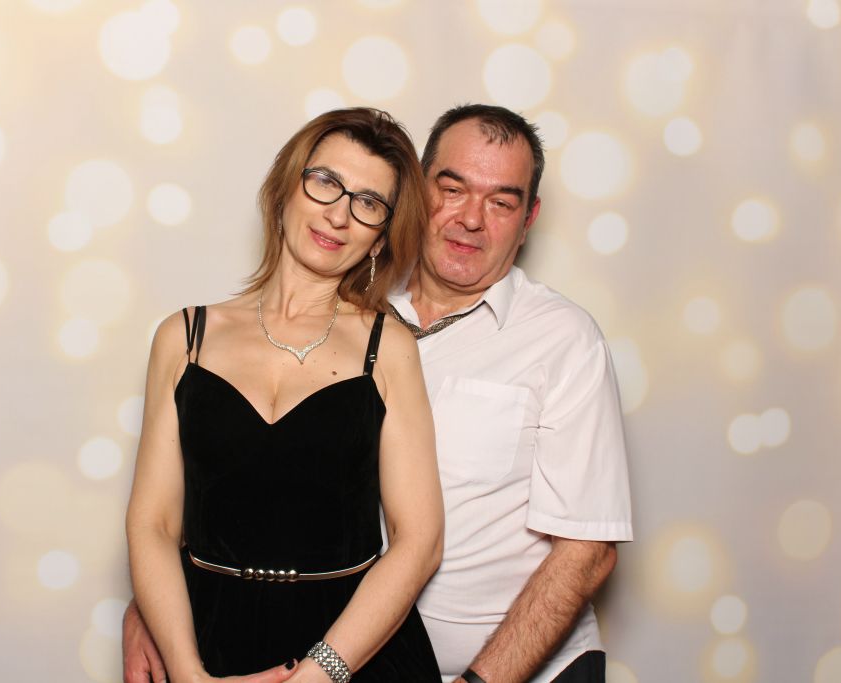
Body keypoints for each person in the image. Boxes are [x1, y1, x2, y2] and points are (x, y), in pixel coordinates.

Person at [125, 104, 633, 683]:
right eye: (453, 189)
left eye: (501, 202)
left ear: (528, 218)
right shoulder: (361, 311)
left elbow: (587, 551)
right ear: (420, 196)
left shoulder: (562, 340)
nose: (471, 219)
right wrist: (156, 614)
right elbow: (232, 491)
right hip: (307, 649)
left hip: (508, 670)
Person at [125, 107, 445, 683]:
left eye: (369, 203)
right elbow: (154, 525)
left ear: (380, 236)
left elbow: (419, 542)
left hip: (354, 653)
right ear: (284, 190)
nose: (339, 214)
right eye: (325, 181)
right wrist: (187, 672)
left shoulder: (389, 347)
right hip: (207, 645)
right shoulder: (184, 337)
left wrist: (319, 674)